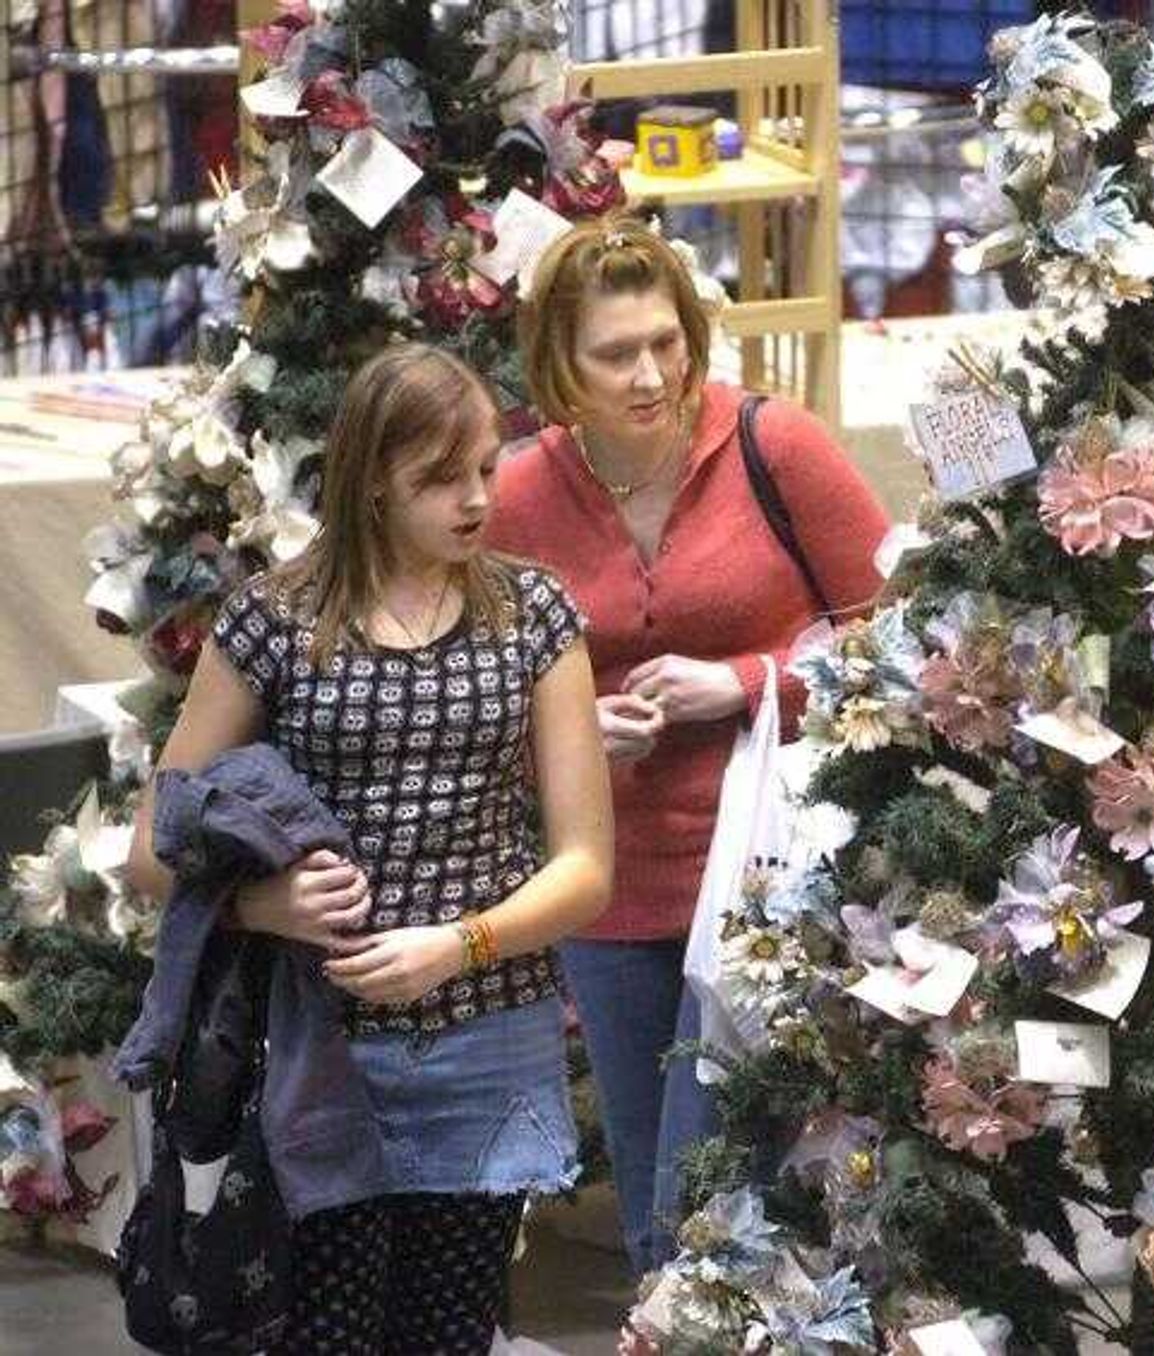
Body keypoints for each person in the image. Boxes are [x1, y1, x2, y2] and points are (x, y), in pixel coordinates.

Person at [126, 343, 613, 1354]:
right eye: (440, 476)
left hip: (488, 1039)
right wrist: (262, 908)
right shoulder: (273, 619)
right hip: (319, 1049)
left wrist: (459, 944)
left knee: (449, 1333)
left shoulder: (537, 616)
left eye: (486, 466)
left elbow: (584, 871)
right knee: (324, 1334)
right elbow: (150, 848)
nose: (476, 497)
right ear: (370, 478)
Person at [491, 215, 890, 1275]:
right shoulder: (518, 495)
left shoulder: (776, 444)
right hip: (611, 894)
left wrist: (749, 682)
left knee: (700, 1199)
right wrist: (569, 734)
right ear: (558, 370)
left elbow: (897, 642)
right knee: (654, 1206)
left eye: (665, 342)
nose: (649, 373)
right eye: (615, 354)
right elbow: (473, 693)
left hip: (771, 886)